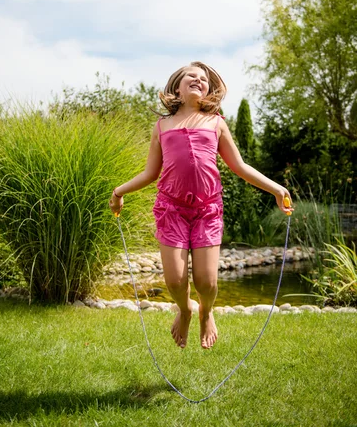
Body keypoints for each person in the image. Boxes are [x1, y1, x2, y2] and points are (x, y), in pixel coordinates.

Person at [109, 61, 293, 350]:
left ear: (209, 89)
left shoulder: (216, 122)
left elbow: (240, 166)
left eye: (204, 79)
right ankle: (185, 309)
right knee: (175, 280)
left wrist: (276, 188)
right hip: (172, 210)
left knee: (206, 282)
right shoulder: (162, 126)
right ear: (177, 89)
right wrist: (119, 191)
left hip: (207, 210)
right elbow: (150, 173)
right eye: (191, 77)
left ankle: (206, 312)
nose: (198, 80)